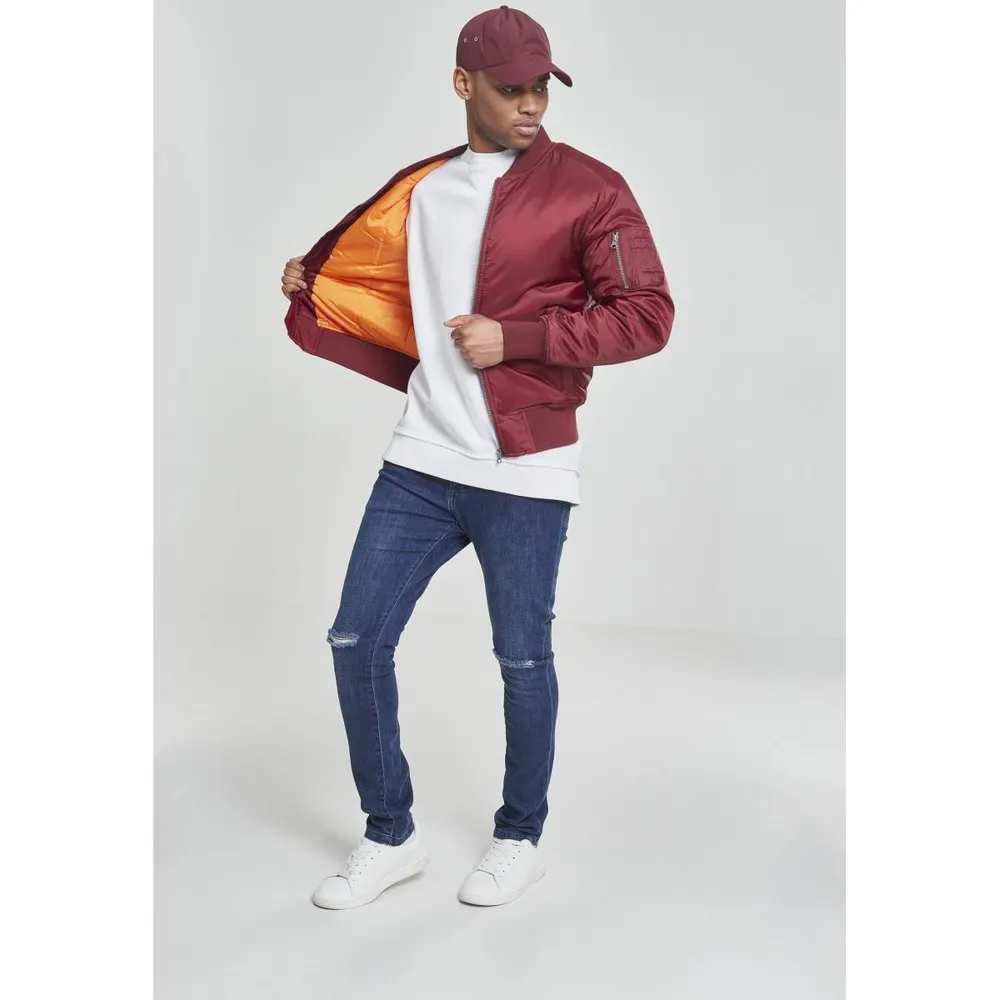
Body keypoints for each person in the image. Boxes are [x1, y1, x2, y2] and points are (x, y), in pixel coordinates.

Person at [280, 5, 674, 909]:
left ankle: (519, 836)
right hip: (424, 457)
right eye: (510, 89)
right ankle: (390, 835)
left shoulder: (591, 189)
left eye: (542, 87)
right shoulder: (425, 188)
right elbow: (389, 284)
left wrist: (520, 338)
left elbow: (648, 314)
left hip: (526, 466)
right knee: (355, 639)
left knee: (522, 659)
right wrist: (318, 282)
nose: (531, 104)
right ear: (465, 85)